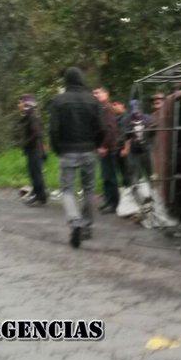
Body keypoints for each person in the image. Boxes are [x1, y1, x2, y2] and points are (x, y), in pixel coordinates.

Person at [50, 68, 104, 248]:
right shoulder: (93, 100)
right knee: (89, 189)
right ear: (82, 80)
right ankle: (87, 226)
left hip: (67, 151)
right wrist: (96, 145)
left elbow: (54, 130)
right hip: (89, 149)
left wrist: (58, 149)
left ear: (66, 81)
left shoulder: (58, 101)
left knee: (67, 190)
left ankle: (75, 222)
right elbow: (101, 128)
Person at [93, 86, 121, 214]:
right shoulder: (100, 109)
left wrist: (104, 146)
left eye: (98, 93)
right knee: (105, 176)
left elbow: (110, 130)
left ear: (106, 94)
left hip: (109, 148)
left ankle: (114, 204)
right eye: (94, 93)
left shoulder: (108, 109)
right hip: (103, 148)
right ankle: (108, 201)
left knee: (110, 177)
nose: (95, 95)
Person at [18, 94, 47, 206]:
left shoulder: (32, 116)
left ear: (26, 104)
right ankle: (38, 194)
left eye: (20, 102)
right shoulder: (29, 116)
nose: (18, 105)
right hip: (33, 149)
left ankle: (41, 197)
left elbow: (37, 133)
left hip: (35, 150)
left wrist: (26, 142)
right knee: (34, 173)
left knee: (36, 174)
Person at [111, 99, 132, 187]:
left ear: (122, 105)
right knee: (122, 172)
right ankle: (126, 188)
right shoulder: (117, 118)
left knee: (127, 172)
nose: (114, 107)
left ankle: (130, 188)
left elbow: (129, 134)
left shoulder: (127, 117)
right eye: (113, 105)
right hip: (118, 148)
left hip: (125, 149)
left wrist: (126, 148)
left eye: (115, 104)